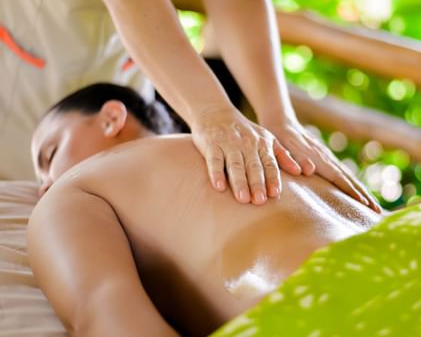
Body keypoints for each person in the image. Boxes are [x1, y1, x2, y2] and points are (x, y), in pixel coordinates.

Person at [0, 0, 379, 211]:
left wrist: (279, 119)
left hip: (130, 57)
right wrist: (211, 113)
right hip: (25, 66)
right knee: (41, 209)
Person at [27, 83, 382, 336]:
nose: (44, 185)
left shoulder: (77, 188)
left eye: (50, 154)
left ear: (111, 118)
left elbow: (108, 319)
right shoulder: (280, 152)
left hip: (330, 310)